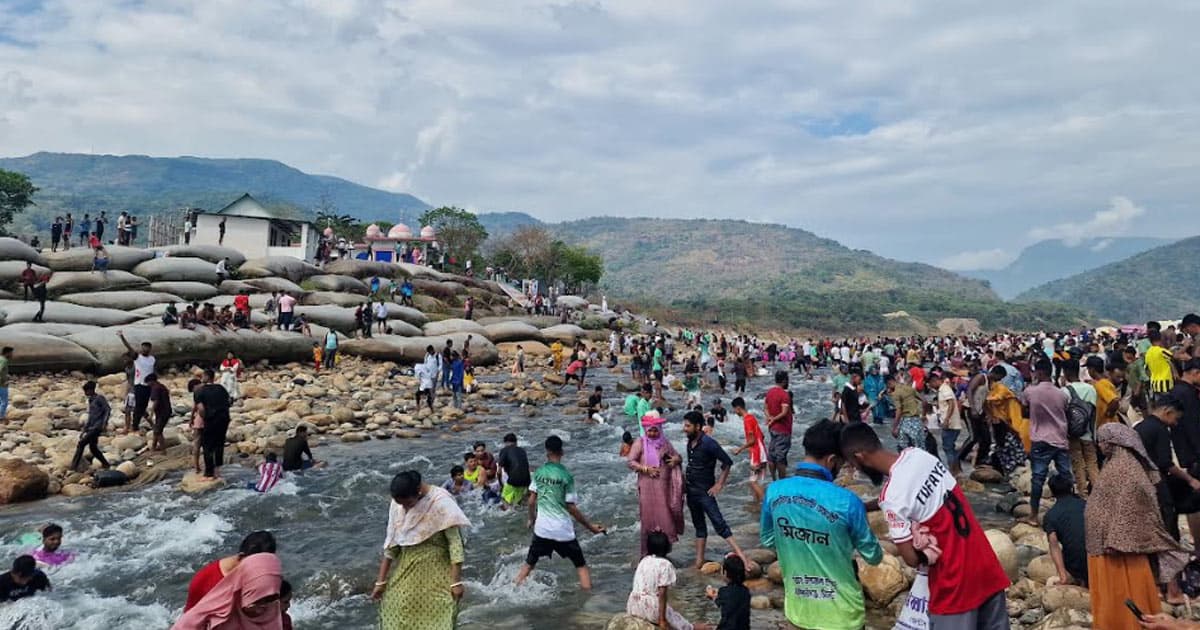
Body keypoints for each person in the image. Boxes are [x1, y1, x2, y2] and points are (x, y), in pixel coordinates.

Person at [840, 422, 1011, 628]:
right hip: (985, 565)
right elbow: (912, 494)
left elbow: (911, 559)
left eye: (852, 463)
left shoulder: (892, 497)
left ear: (860, 457)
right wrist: (868, 506)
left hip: (955, 584)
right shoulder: (918, 455)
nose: (856, 469)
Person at [762, 419, 882, 630]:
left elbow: (769, 539)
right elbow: (873, 556)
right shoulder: (848, 501)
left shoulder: (774, 492)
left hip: (798, 613)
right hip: (843, 617)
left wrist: (799, 543)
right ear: (832, 460)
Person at [1087, 422, 1190, 627]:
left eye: (1103, 441)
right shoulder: (1120, 465)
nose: (1100, 446)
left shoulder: (1124, 470)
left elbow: (1130, 509)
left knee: (1122, 596)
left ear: (1114, 443)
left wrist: (1116, 538)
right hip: (1109, 547)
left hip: (1118, 550)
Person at [371, 470, 468, 629]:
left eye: (407, 503)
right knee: (395, 607)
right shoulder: (398, 504)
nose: (404, 508)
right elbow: (392, 545)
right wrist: (380, 582)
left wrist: (456, 582)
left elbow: (455, 544)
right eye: (400, 504)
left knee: (439, 617)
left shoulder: (441, 502)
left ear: (418, 492)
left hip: (437, 572)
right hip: (406, 570)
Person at [515, 435, 607, 590]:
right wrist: (591, 528)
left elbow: (531, 501)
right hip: (563, 531)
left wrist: (531, 519)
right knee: (581, 566)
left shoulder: (539, 472)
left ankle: (514, 589)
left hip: (542, 530)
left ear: (547, 452)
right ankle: (588, 601)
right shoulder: (566, 476)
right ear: (562, 452)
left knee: (528, 565)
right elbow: (571, 507)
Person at [682, 411, 748, 569]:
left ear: (698, 426)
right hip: (691, 491)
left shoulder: (709, 443)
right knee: (699, 526)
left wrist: (719, 484)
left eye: (687, 426)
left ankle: (743, 558)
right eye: (684, 425)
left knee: (719, 524)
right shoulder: (690, 443)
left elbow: (727, 462)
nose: (684, 429)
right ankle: (699, 561)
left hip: (705, 491)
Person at [1136, 395, 1200, 543]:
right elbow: (1166, 463)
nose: (1175, 424)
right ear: (1167, 412)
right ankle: (1172, 549)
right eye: (1176, 419)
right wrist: (1190, 480)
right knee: (1168, 513)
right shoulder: (1160, 429)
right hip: (1155, 478)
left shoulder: (1142, 425)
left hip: (1140, 477)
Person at [173, 552, 284, 630]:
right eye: (257, 600)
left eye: (271, 599)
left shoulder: (273, 614)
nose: (263, 608)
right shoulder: (200, 619)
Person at [627, 412, 685, 557]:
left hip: (663, 488)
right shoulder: (640, 443)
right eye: (650, 431)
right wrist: (645, 469)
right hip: (647, 489)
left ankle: (664, 553)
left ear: (660, 430)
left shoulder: (664, 442)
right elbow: (630, 462)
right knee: (648, 520)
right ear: (645, 430)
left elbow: (677, 456)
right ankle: (646, 554)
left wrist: (676, 460)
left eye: (655, 430)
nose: (652, 433)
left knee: (665, 516)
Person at [1023, 360, 1074, 524]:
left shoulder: (1030, 392)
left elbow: (1024, 411)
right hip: (1059, 438)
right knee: (1066, 476)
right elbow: (1066, 413)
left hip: (1040, 439)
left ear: (1039, 373)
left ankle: (1033, 515)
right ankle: (1070, 510)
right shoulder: (1062, 394)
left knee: (1038, 478)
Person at [626, 531, 709, 630]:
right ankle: (692, 628)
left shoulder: (643, 561)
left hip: (633, 605)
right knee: (674, 616)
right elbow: (662, 593)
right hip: (651, 608)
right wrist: (662, 620)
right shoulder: (665, 564)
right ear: (667, 547)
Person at [184, 531, 278, 611]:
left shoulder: (265, 577)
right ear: (241, 557)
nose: (259, 572)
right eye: (255, 566)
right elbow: (190, 620)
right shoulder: (204, 580)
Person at [1042, 474, 1087, 586]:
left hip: (1076, 566)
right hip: (1097, 559)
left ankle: (1078, 580)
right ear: (1071, 488)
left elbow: (1054, 545)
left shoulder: (1051, 515)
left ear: (1052, 492)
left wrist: (1063, 576)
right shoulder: (1087, 505)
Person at [194, 368, 232, 479]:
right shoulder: (221, 388)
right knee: (219, 444)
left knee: (208, 445)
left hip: (211, 419)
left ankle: (209, 472)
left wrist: (205, 417)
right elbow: (229, 401)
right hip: (224, 418)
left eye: (203, 376)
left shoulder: (200, 391)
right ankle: (218, 470)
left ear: (206, 377)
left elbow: (200, 408)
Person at [730, 397, 768, 504]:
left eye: (734, 410)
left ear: (738, 408)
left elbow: (752, 440)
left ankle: (767, 506)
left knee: (753, 482)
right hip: (762, 452)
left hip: (757, 454)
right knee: (758, 481)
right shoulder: (752, 417)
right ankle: (757, 506)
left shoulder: (747, 420)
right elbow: (762, 436)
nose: (734, 412)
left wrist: (739, 449)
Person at [118, 332, 156, 433]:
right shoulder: (136, 360)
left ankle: (144, 424)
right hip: (137, 386)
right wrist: (122, 337)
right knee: (132, 409)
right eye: (143, 347)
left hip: (146, 387)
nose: (144, 349)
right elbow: (128, 380)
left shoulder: (151, 359)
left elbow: (153, 372)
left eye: (147, 348)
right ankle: (132, 427)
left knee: (141, 408)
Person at [930, 370, 965, 474]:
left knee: (948, 448)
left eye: (931, 384)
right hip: (951, 423)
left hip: (950, 424)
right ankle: (957, 470)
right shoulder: (943, 389)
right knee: (950, 447)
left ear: (935, 381)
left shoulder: (944, 389)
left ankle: (952, 471)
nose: (931, 386)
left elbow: (951, 404)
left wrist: (946, 420)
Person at [71, 381, 111, 471]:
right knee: (93, 448)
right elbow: (90, 416)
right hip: (91, 426)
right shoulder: (91, 400)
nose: (85, 393)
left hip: (97, 426)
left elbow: (107, 410)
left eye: (86, 391)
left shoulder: (99, 398)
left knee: (81, 444)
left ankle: (73, 467)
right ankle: (105, 464)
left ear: (91, 390)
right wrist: (84, 430)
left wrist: (104, 423)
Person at [703, 555, 750, 630]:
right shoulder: (746, 591)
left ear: (725, 573)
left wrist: (711, 595)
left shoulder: (723, 591)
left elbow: (719, 602)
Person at [764, 370, 794, 480]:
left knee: (771, 456)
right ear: (785, 381)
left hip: (772, 428)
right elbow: (784, 412)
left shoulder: (770, 392)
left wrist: (769, 418)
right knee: (781, 457)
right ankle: (782, 481)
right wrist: (774, 419)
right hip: (783, 429)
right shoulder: (784, 394)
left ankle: (773, 479)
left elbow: (765, 408)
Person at [497, 433, 531, 508]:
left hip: (513, 481)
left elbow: (499, 471)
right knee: (519, 502)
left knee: (503, 500)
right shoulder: (522, 451)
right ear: (516, 442)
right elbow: (527, 468)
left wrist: (501, 485)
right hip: (526, 481)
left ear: (505, 442)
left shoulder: (504, 450)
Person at [147, 374, 172, 452]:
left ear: (151, 381)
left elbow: (156, 401)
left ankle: (163, 450)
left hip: (162, 412)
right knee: (157, 430)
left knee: (158, 430)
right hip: (165, 410)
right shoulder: (161, 386)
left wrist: (151, 414)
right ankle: (153, 447)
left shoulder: (155, 388)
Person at [0, 346, 11, 422]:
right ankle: (1, 416)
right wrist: (4, 380)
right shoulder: (4, 360)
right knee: (4, 401)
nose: (12, 355)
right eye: (11, 353)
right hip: (2, 384)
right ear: (7, 353)